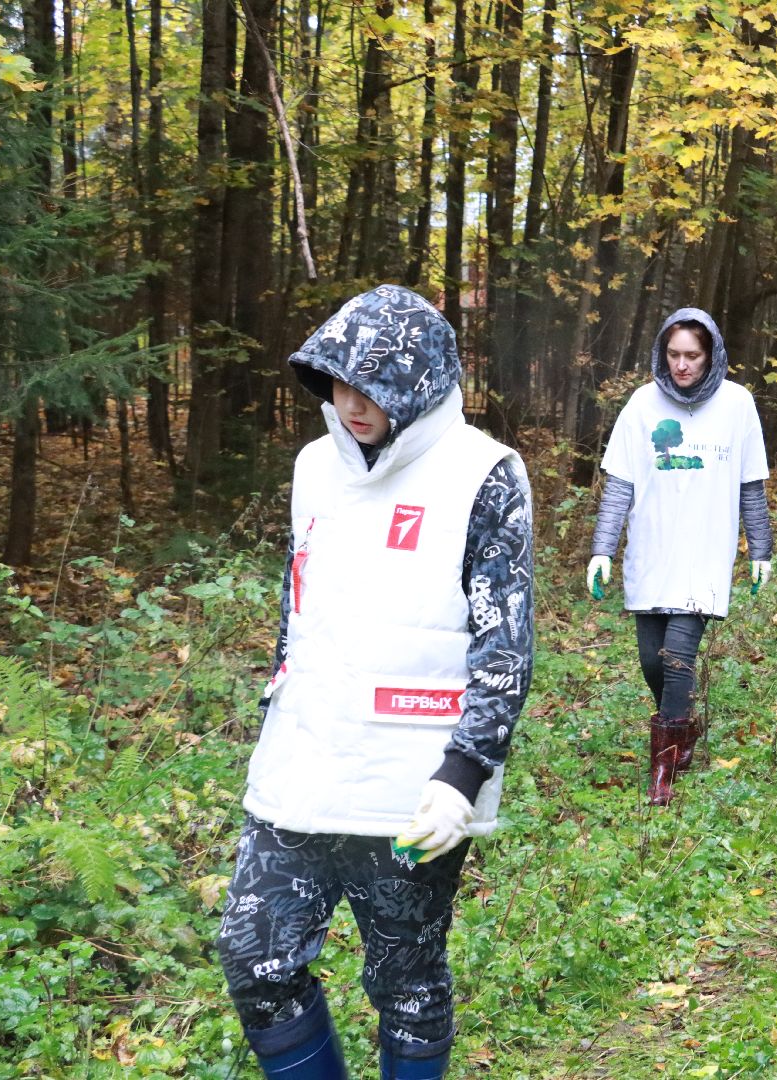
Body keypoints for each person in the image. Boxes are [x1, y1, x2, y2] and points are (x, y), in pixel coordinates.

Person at [216, 285, 534, 1079]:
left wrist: (464, 775)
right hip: (304, 764)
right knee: (256, 960)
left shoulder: (486, 475)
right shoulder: (313, 467)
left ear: (419, 381)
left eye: (373, 387)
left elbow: (505, 643)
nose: (351, 404)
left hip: (415, 782)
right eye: (339, 382)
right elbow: (299, 608)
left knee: (406, 980)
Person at [586, 308, 772, 806]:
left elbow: (751, 484)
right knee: (653, 661)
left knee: (676, 657)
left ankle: (662, 772)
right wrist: (603, 549)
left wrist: (760, 548)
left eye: (692, 355)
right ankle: (680, 724)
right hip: (652, 551)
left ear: (711, 355)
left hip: (704, 553)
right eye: (673, 355)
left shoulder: (737, 404)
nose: (682, 365)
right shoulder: (642, 404)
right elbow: (619, 484)